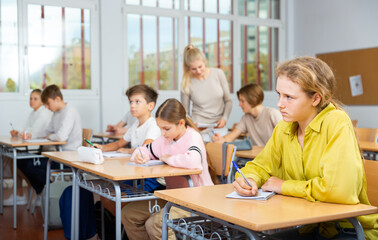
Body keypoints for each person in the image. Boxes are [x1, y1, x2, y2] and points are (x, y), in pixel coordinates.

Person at [233, 57, 378, 240]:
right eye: (279, 94)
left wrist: (284, 186)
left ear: (315, 98)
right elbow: (261, 166)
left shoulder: (336, 122)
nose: (280, 103)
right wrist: (249, 179)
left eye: (289, 97)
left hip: (347, 228)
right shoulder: (285, 127)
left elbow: (338, 190)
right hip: (311, 227)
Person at [122, 98, 214, 240]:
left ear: (181, 123)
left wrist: (167, 158)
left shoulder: (192, 137)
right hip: (171, 196)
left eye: (166, 129)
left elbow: (193, 161)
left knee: (155, 224)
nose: (163, 133)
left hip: (197, 200)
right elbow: (144, 150)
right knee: (129, 214)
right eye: (160, 128)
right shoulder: (165, 139)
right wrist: (140, 155)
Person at [93, 84, 162, 214]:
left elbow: (144, 149)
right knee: (106, 194)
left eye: (137, 102)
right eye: (131, 102)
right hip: (134, 172)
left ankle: (125, 228)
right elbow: (119, 144)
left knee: (115, 197)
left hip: (148, 177)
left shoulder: (153, 125)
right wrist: (101, 148)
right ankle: (122, 228)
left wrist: (128, 151)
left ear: (150, 106)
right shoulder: (136, 124)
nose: (132, 105)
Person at [17, 84, 82, 198]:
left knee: (30, 164)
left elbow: (61, 137)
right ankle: (45, 192)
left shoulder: (69, 111)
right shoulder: (56, 113)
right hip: (58, 154)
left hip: (69, 156)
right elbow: (47, 131)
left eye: (48, 103)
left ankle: (47, 193)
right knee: (22, 161)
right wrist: (30, 136)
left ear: (57, 99)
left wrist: (51, 136)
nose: (46, 107)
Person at [4, 89, 53, 206]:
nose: (32, 101)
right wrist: (18, 132)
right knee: (12, 160)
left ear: (42, 101)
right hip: (37, 149)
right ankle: (20, 194)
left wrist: (23, 132)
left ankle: (35, 192)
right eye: (30, 98)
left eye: (35, 98)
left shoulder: (44, 113)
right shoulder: (34, 113)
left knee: (16, 161)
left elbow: (34, 132)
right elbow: (27, 128)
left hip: (46, 153)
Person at [180, 44, 232, 141]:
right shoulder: (186, 83)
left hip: (219, 127)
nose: (198, 71)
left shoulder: (218, 74)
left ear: (205, 61)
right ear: (188, 68)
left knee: (220, 153)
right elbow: (185, 113)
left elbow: (228, 101)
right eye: (193, 69)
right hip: (199, 128)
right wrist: (193, 126)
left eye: (200, 66)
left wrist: (224, 118)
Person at [212, 83, 282, 146]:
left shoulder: (272, 114)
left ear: (253, 99)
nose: (239, 104)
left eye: (242, 101)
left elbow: (286, 138)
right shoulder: (246, 118)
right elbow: (232, 136)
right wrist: (221, 139)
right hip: (257, 158)